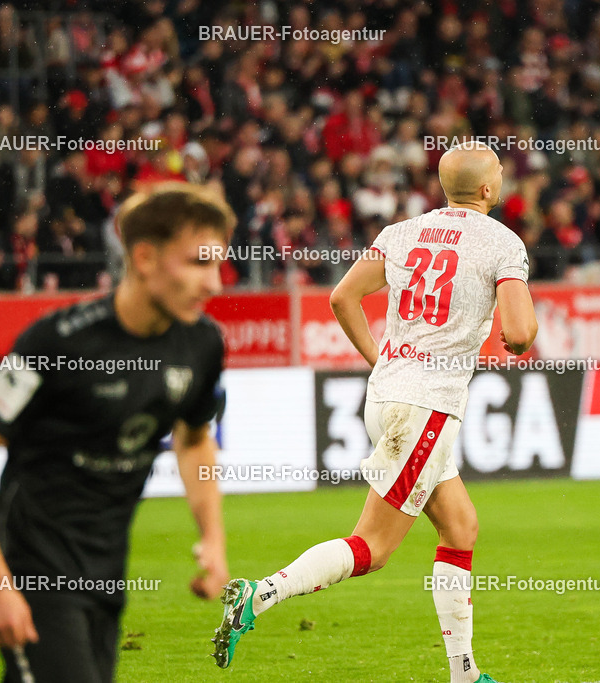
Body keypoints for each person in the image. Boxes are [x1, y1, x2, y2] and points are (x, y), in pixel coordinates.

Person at [212, 141, 537, 683]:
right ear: (487, 188)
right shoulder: (503, 243)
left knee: (461, 528)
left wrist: (380, 361)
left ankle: (465, 673)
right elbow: (521, 334)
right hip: (427, 409)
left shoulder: (402, 233)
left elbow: (342, 297)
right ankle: (260, 593)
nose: (502, 176)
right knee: (374, 546)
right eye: (500, 171)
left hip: (386, 395)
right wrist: (518, 334)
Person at [0, 185, 235, 683]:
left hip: (107, 570)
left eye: (219, 266)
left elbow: (193, 437)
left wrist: (213, 537)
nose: (215, 285)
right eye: (198, 264)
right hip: (34, 572)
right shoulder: (56, 341)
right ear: (144, 257)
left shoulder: (202, 343)